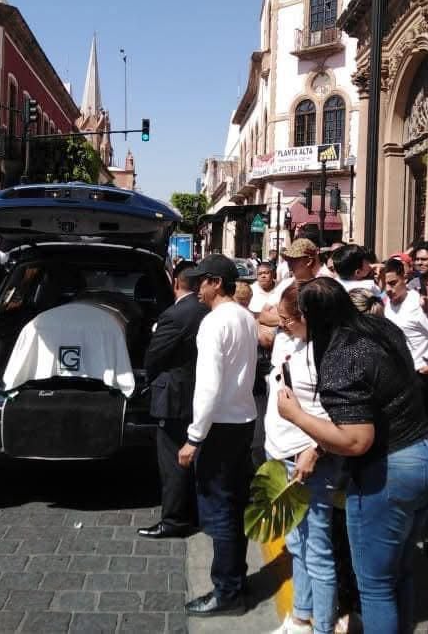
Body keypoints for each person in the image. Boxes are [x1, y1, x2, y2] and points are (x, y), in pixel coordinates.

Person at [279, 277, 428, 633]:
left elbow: (356, 440)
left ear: (312, 317)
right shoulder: (381, 328)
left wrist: (297, 416)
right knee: (400, 571)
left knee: (375, 585)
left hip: (390, 472)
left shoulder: (341, 355)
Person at [178, 254, 257, 616]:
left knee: (221, 510)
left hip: (220, 427)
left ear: (217, 283)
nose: (197, 287)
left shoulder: (214, 323)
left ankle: (227, 592)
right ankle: (236, 579)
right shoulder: (244, 316)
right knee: (235, 504)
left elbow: (208, 386)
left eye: (202, 280)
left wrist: (194, 437)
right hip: (242, 421)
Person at [265, 283, 340, 634]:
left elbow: (343, 413)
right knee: (296, 542)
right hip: (281, 452)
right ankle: (300, 616)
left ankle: (322, 624)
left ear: (308, 318)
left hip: (309, 459)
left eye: (287, 319)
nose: (281, 325)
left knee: (318, 549)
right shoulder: (288, 340)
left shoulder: (331, 354)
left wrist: (316, 449)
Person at [140, 261, 208, 539]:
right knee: (191, 458)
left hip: (173, 395)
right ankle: (191, 513)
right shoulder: (206, 310)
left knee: (172, 462)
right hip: (196, 392)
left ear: (176, 283)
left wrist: (147, 380)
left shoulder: (175, 315)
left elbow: (154, 357)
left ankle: (174, 520)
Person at [381, 257, 428, 376]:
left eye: (393, 283)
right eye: (385, 284)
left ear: (404, 279)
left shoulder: (418, 304)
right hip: (401, 375)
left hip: (423, 376)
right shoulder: (388, 304)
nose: (388, 289)